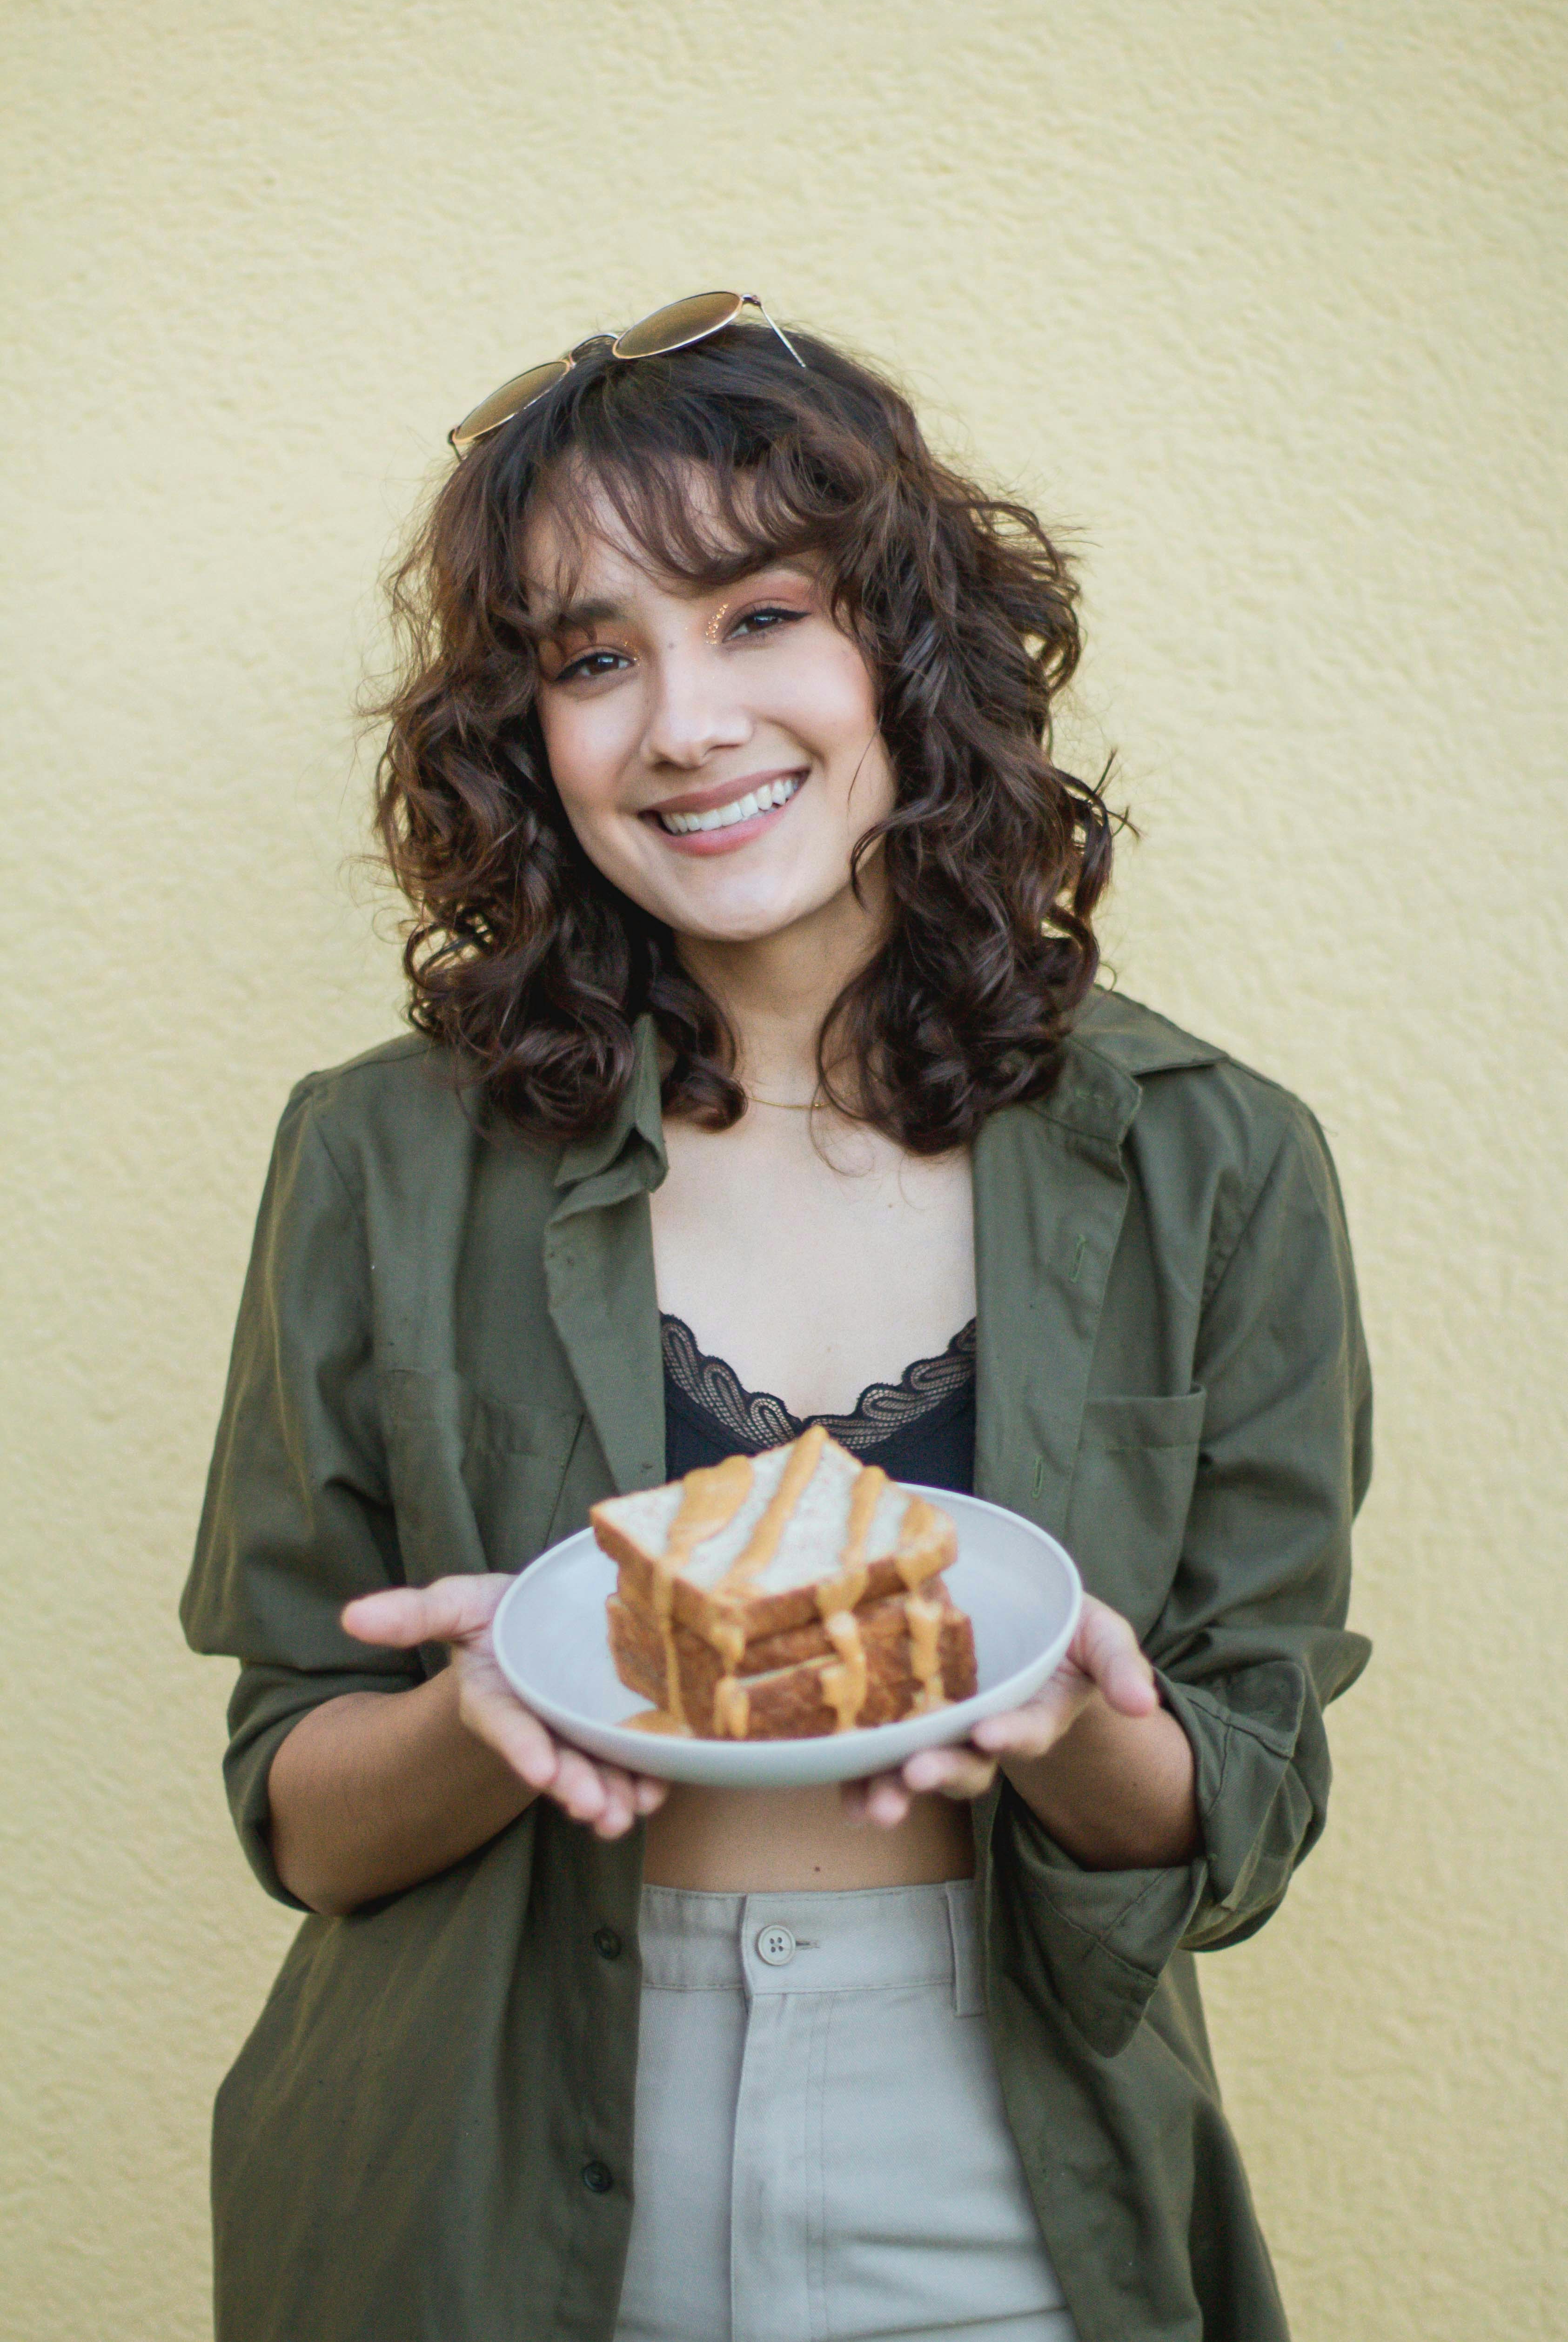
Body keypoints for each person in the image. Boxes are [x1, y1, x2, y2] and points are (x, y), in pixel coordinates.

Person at [181, 295, 1372, 2342]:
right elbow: (295, 1794)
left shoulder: (1215, 1160)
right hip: (467, 2183)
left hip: (1003, 2163)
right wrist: (492, 1715)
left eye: (758, 615)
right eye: (591, 657)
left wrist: (1077, 1722)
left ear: (904, 647)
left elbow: (1238, 1812)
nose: (685, 724)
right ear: (527, 734)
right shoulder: (375, 1157)